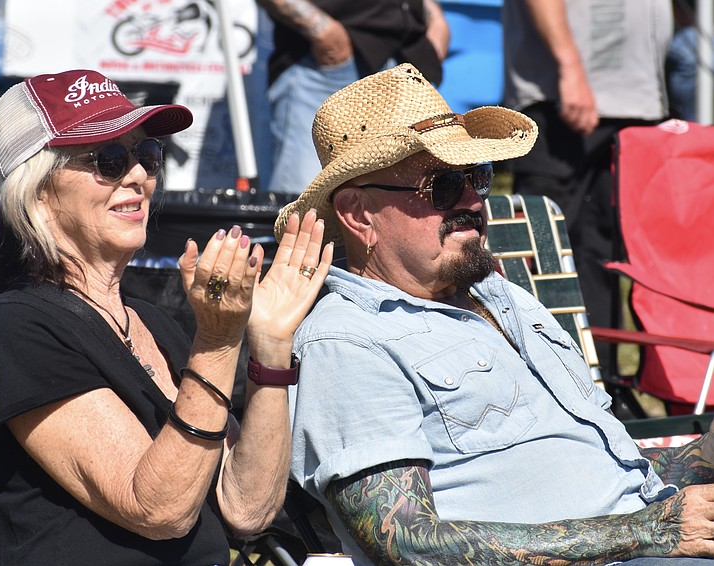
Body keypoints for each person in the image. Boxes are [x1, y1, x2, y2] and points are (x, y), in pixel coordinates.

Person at [274, 63, 714, 564]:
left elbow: (611, 475)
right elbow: (404, 540)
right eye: (442, 187)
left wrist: (705, 456)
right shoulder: (349, 339)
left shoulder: (503, 299)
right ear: (358, 214)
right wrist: (646, 532)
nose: (472, 202)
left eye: (476, 177)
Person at [0, 68, 334, 565]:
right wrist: (218, 344)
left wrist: (268, 346)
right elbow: (158, 509)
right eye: (110, 160)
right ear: (38, 193)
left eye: (148, 156)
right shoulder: (17, 329)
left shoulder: (151, 322)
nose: (138, 175)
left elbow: (248, 511)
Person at [502, 0, 673, 370]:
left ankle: (602, 382)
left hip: (632, 103)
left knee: (604, 254)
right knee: (543, 255)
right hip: (561, 100)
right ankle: (539, 378)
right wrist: (571, 68)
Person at [255, 0, 449, 194]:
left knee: (414, 205)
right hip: (330, 66)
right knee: (307, 207)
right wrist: (326, 35)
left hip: (410, 62)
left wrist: (436, 20)